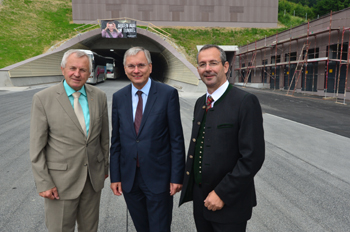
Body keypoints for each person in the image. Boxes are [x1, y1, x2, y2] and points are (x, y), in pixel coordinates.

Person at [179, 44, 265, 232]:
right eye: (202, 64)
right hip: (201, 201)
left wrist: (222, 194)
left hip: (229, 203)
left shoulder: (245, 102)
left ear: (225, 67)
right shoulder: (201, 102)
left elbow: (252, 157)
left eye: (213, 63)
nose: (207, 69)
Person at [30, 49, 109, 232]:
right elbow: (37, 147)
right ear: (63, 69)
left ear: (89, 73)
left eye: (83, 70)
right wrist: (44, 182)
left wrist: (104, 167)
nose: (77, 74)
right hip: (60, 183)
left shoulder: (99, 97)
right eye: (72, 68)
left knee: (90, 229)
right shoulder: (43, 99)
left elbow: (104, 138)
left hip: (92, 180)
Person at [110, 46, 185, 232]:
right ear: (125, 68)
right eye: (131, 66)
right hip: (130, 179)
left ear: (150, 67)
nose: (136, 70)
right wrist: (115, 176)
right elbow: (116, 140)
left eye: (141, 65)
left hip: (159, 178)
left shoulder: (168, 94)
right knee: (141, 227)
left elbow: (176, 138)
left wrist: (177, 176)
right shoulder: (118, 98)